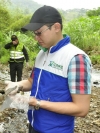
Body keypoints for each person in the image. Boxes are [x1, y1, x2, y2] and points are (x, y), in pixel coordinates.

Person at [5, 5, 91, 133]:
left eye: (39, 33)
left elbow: (82, 108)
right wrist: (16, 85)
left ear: (56, 27)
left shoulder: (76, 59)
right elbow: (31, 82)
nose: (36, 38)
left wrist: (37, 103)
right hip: (34, 125)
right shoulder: (42, 53)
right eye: (35, 34)